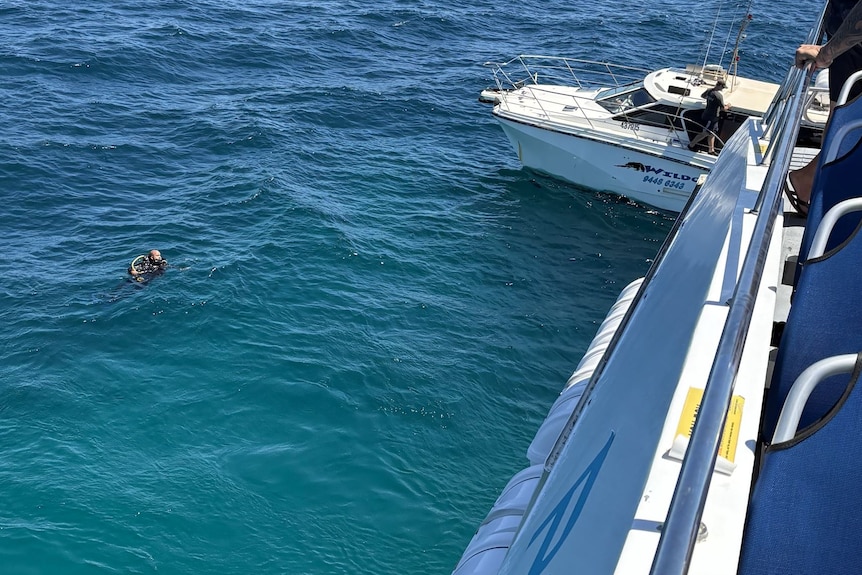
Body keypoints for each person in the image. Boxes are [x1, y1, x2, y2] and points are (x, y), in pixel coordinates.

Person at [786, 0, 862, 215]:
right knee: (847, 120)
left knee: (844, 119)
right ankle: (816, 184)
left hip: (847, 33)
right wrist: (827, 53)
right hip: (853, 42)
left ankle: (813, 181)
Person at [688, 79, 731, 155]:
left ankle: (711, 150)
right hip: (711, 118)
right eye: (723, 87)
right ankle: (691, 145)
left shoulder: (709, 91)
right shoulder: (718, 96)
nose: (723, 89)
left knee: (712, 133)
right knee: (705, 133)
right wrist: (728, 106)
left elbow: (703, 96)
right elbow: (723, 109)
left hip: (707, 115)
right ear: (720, 86)